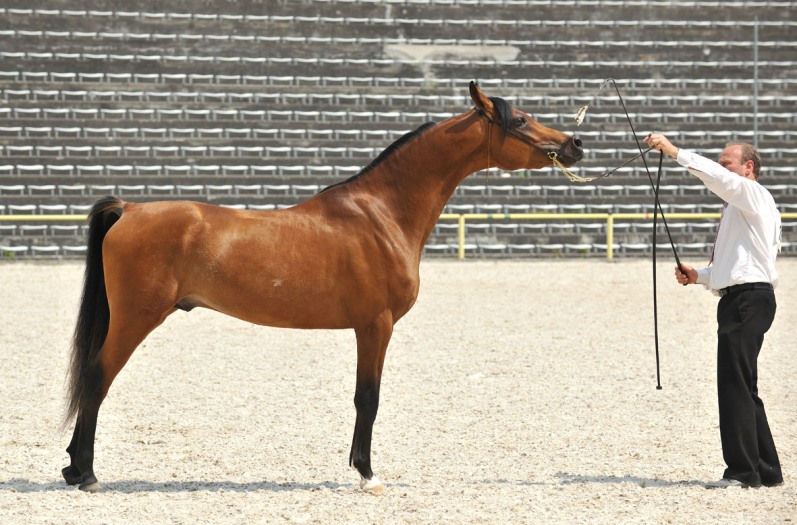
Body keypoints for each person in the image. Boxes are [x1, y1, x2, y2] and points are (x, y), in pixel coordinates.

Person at [643, 134, 783, 489]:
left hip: (747, 299)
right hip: (745, 297)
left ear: (748, 167)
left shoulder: (751, 193)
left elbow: (719, 179)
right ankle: (766, 470)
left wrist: (675, 152)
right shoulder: (742, 207)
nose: (722, 168)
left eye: (727, 163)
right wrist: (700, 276)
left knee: (734, 384)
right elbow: (739, 264)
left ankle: (742, 473)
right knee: (744, 384)